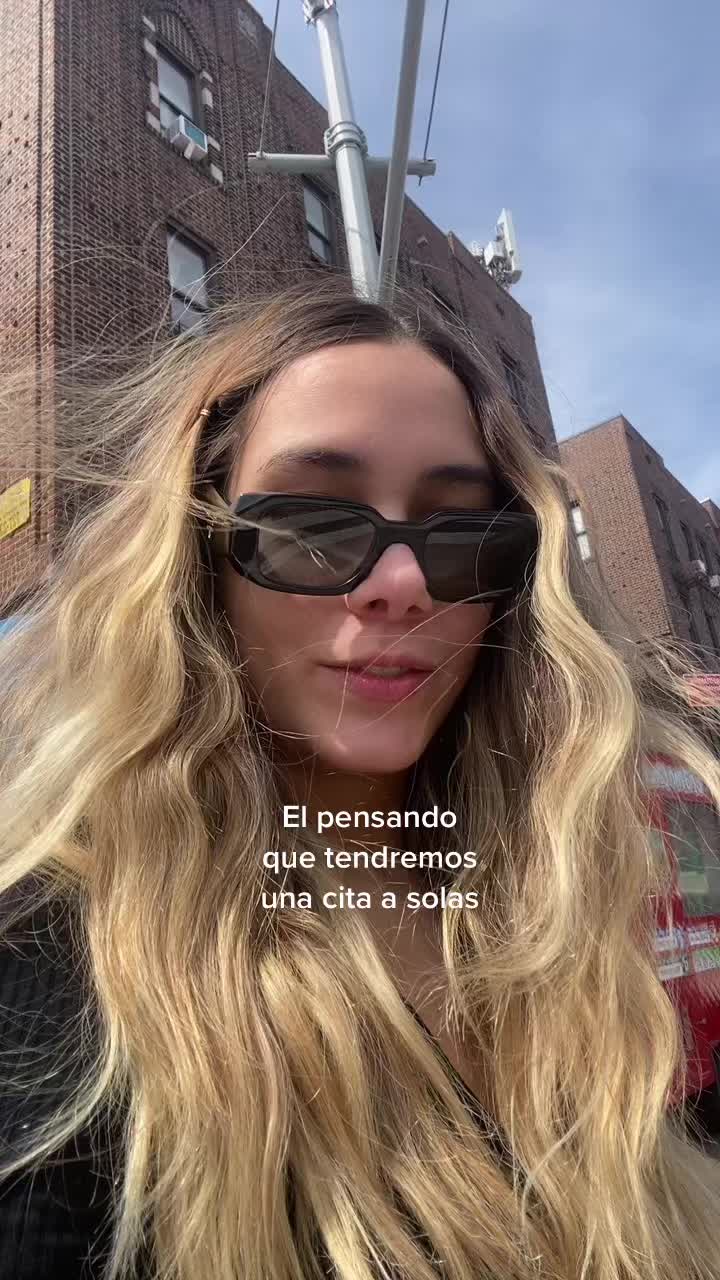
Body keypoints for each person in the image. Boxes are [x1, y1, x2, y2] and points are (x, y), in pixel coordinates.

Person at [1, 276, 720, 1280]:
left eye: (459, 532)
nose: (404, 582)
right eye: (310, 522)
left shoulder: (566, 913)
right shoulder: (51, 981)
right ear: (199, 554)